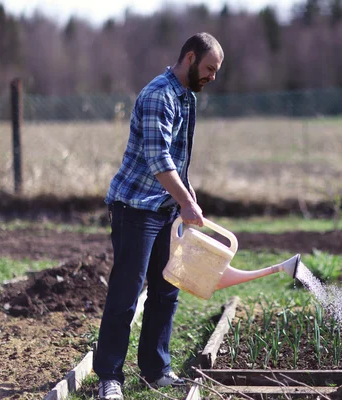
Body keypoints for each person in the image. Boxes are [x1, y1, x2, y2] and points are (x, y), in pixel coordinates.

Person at [93, 32, 224, 400]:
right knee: (127, 292)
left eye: (217, 71)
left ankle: (155, 370)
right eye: (210, 68)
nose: (213, 76)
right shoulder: (159, 95)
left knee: (167, 290)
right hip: (135, 208)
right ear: (189, 58)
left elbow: (176, 159)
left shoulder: (186, 96)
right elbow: (158, 161)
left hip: (164, 208)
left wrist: (187, 192)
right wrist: (185, 201)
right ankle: (109, 377)